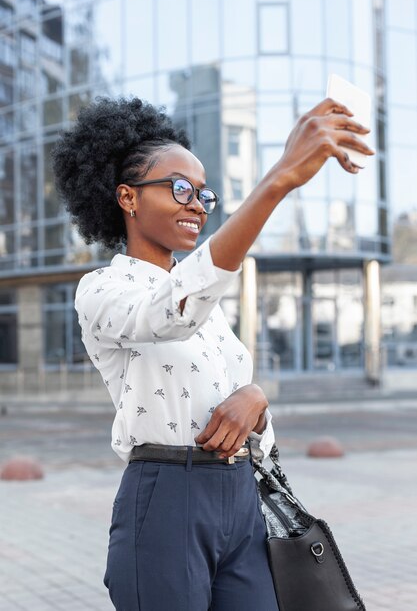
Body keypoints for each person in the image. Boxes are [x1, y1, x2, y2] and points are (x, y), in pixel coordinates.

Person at [52, 96, 373, 611]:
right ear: (127, 198)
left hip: (241, 498)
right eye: (180, 188)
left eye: (205, 193)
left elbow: (243, 413)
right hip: (166, 499)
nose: (197, 204)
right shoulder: (102, 289)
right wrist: (279, 181)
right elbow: (169, 312)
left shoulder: (211, 306)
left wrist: (256, 402)